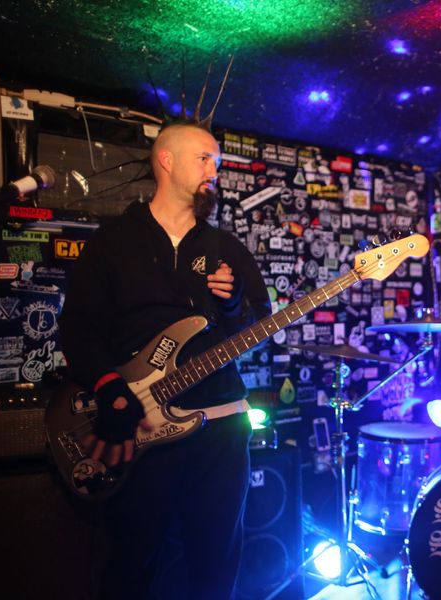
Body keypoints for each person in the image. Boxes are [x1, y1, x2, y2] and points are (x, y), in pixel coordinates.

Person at [59, 122, 271, 599]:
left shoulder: (227, 249)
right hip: (137, 428)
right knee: (131, 562)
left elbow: (258, 326)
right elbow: (78, 328)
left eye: (218, 162)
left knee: (214, 566)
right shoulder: (113, 241)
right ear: (167, 161)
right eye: (204, 159)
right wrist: (110, 387)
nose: (214, 171)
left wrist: (234, 305)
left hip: (219, 429)